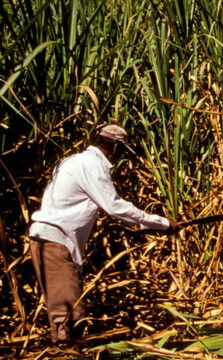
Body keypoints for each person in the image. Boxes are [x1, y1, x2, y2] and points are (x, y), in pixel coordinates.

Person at [28, 123, 181, 347]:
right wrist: (163, 223)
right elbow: (114, 206)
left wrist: (147, 226)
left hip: (49, 240)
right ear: (116, 147)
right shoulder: (92, 165)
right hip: (55, 241)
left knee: (69, 313)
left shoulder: (72, 160)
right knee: (69, 315)